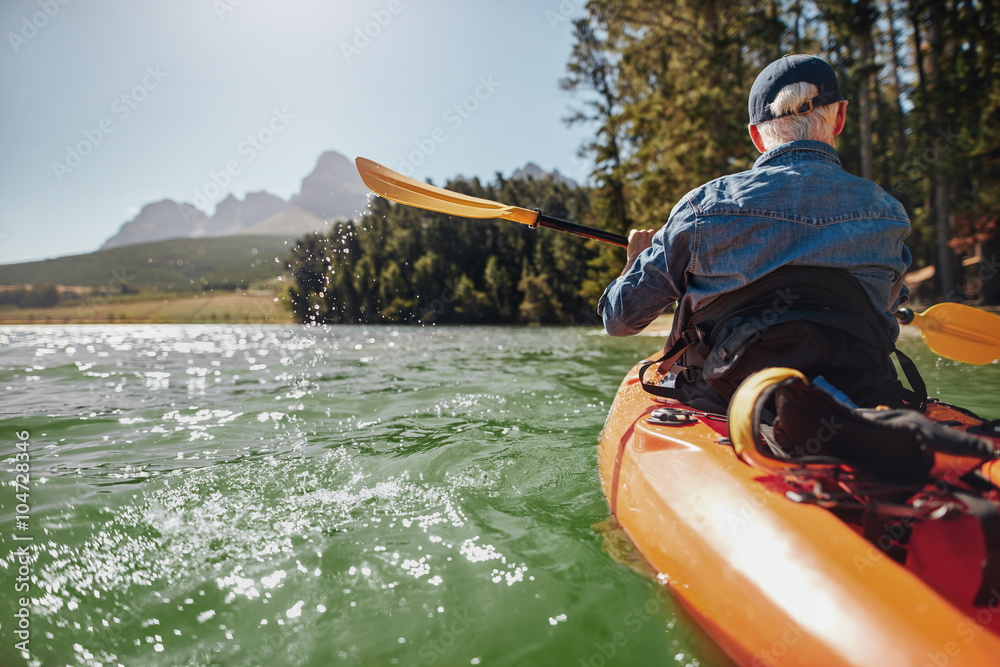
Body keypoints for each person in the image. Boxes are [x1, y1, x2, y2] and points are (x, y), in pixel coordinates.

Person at [598, 54, 916, 410]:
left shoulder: (702, 208)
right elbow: (881, 307)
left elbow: (621, 320)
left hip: (722, 400)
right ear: (839, 117)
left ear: (756, 137)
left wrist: (636, 263)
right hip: (857, 395)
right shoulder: (889, 214)